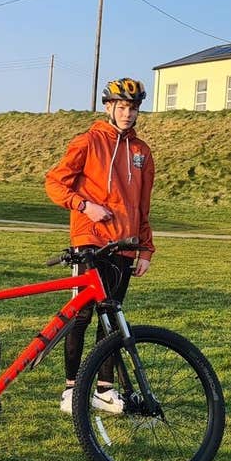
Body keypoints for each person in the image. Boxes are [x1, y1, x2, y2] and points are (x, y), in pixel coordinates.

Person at [44, 77, 155, 414]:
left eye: (133, 108)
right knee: (81, 315)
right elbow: (55, 183)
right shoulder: (88, 141)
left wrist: (145, 248)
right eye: (122, 107)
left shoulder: (141, 152)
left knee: (112, 319)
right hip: (90, 242)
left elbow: (143, 205)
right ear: (108, 107)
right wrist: (84, 206)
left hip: (124, 244)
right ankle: (71, 389)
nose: (127, 113)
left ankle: (105, 390)